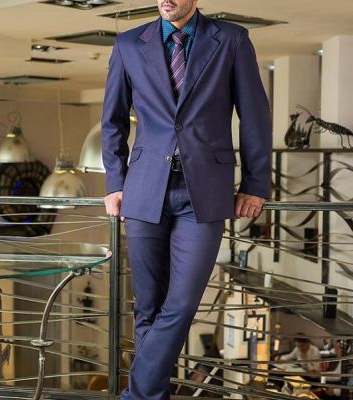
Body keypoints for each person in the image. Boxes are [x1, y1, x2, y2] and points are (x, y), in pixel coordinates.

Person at [101, 0, 272, 398]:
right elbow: (112, 121)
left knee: (181, 303)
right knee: (147, 307)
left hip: (205, 192)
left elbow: (255, 116)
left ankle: (136, 395)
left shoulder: (231, 40)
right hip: (144, 190)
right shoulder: (128, 44)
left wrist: (255, 183)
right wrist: (114, 182)